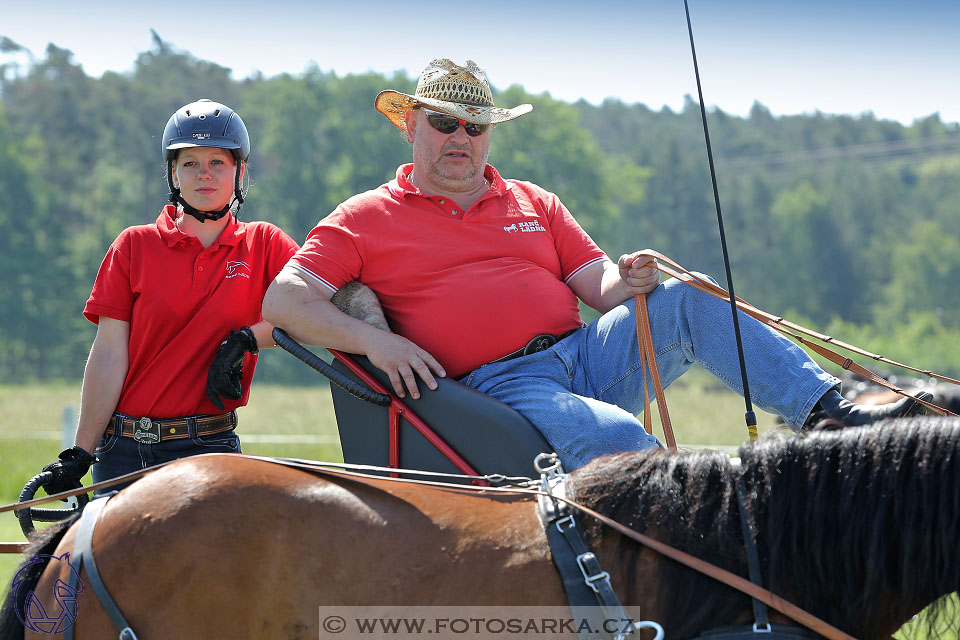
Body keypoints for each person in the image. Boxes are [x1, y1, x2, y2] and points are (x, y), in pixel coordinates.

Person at [261, 59, 927, 471]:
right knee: (611, 431)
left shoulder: (534, 201)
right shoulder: (366, 216)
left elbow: (602, 290)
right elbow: (284, 303)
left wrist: (631, 280)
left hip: (586, 355)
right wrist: (376, 341)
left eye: (475, 126)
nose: (460, 139)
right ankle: (697, 562)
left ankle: (829, 418)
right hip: (499, 387)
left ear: (489, 133)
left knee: (690, 296)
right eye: (444, 123)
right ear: (410, 127)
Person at [40, 99, 299, 494]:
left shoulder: (265, 243)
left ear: (240, 172)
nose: (204, 175)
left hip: (210, 447)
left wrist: (247, 338)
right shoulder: (134, 245)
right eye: (190, 163)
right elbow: (109, 352)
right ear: (173, 174)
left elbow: (313, 312)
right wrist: (80, 451)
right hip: (124, 450)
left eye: (217, 162)